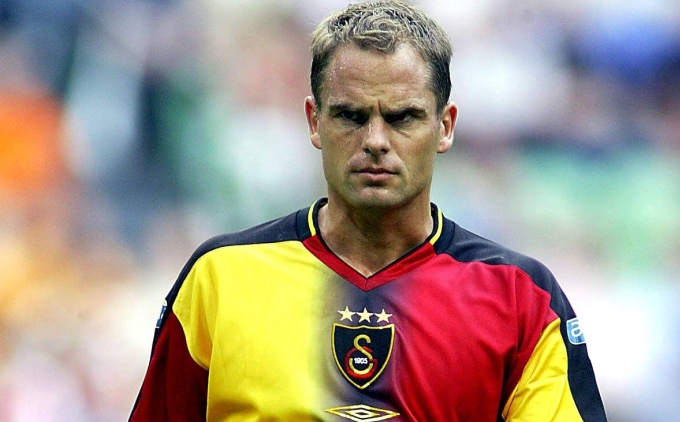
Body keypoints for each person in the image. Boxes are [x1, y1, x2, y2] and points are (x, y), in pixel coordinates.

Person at [129, 1, 607, 421]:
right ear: (314, 121)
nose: (376, 140)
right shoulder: (220, 277)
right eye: (351, 116)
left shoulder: (521, 298)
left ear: (445, 126)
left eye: (402, 117)